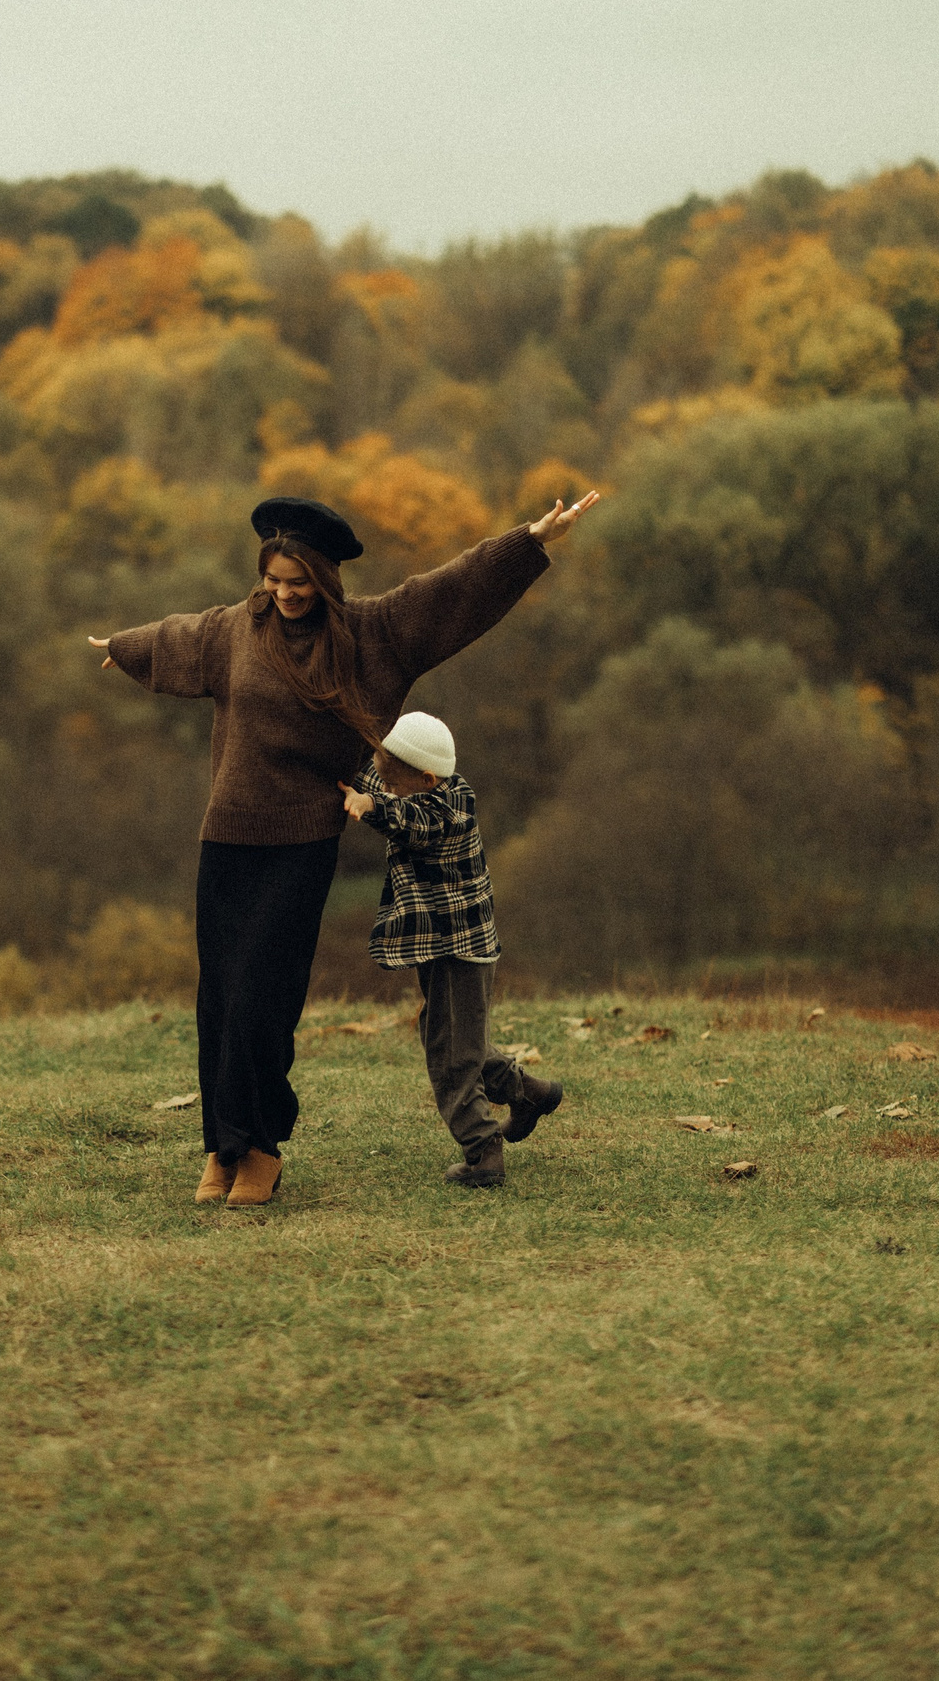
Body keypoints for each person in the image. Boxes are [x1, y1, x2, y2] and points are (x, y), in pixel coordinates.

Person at [91, 489, 597, 1208]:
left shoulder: (371, 637)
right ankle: (222, 1144)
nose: (284, 594)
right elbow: (179, 636)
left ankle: (262, 1146)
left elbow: (449, 592)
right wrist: (122, 647)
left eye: (298, 583)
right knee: (220, 1000)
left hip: (300, 846)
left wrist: (528, 543)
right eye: (273, 581)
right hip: (225, 840)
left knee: (265, 1001)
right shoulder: (236, 630)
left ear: (324, 579)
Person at [342, 711, 563, 1188]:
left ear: (425, 778)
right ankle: (525, 1092)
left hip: (460, 950)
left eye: (393, 781)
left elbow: (411, 818)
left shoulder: (448, 808)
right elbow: (386, 788)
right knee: (446, 1031)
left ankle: (483, 1150)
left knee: (451, 1053)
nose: (386, 786)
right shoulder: (427, 784)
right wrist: (354, 772)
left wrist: (373, 807)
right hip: (444, 946)